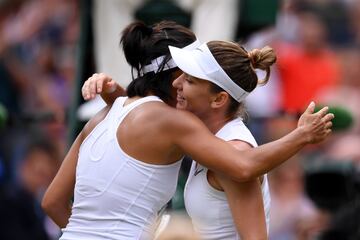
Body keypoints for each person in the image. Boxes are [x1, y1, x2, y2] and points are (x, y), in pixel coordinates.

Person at [42, 21, 333, 240]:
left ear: (219, 99)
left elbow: (52, 202)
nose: (181, 83)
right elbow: (243, 166)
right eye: (182, 74)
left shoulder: (104, 116)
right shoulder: (174, 124)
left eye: (191, 78)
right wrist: (301, 135)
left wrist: (302, 135)